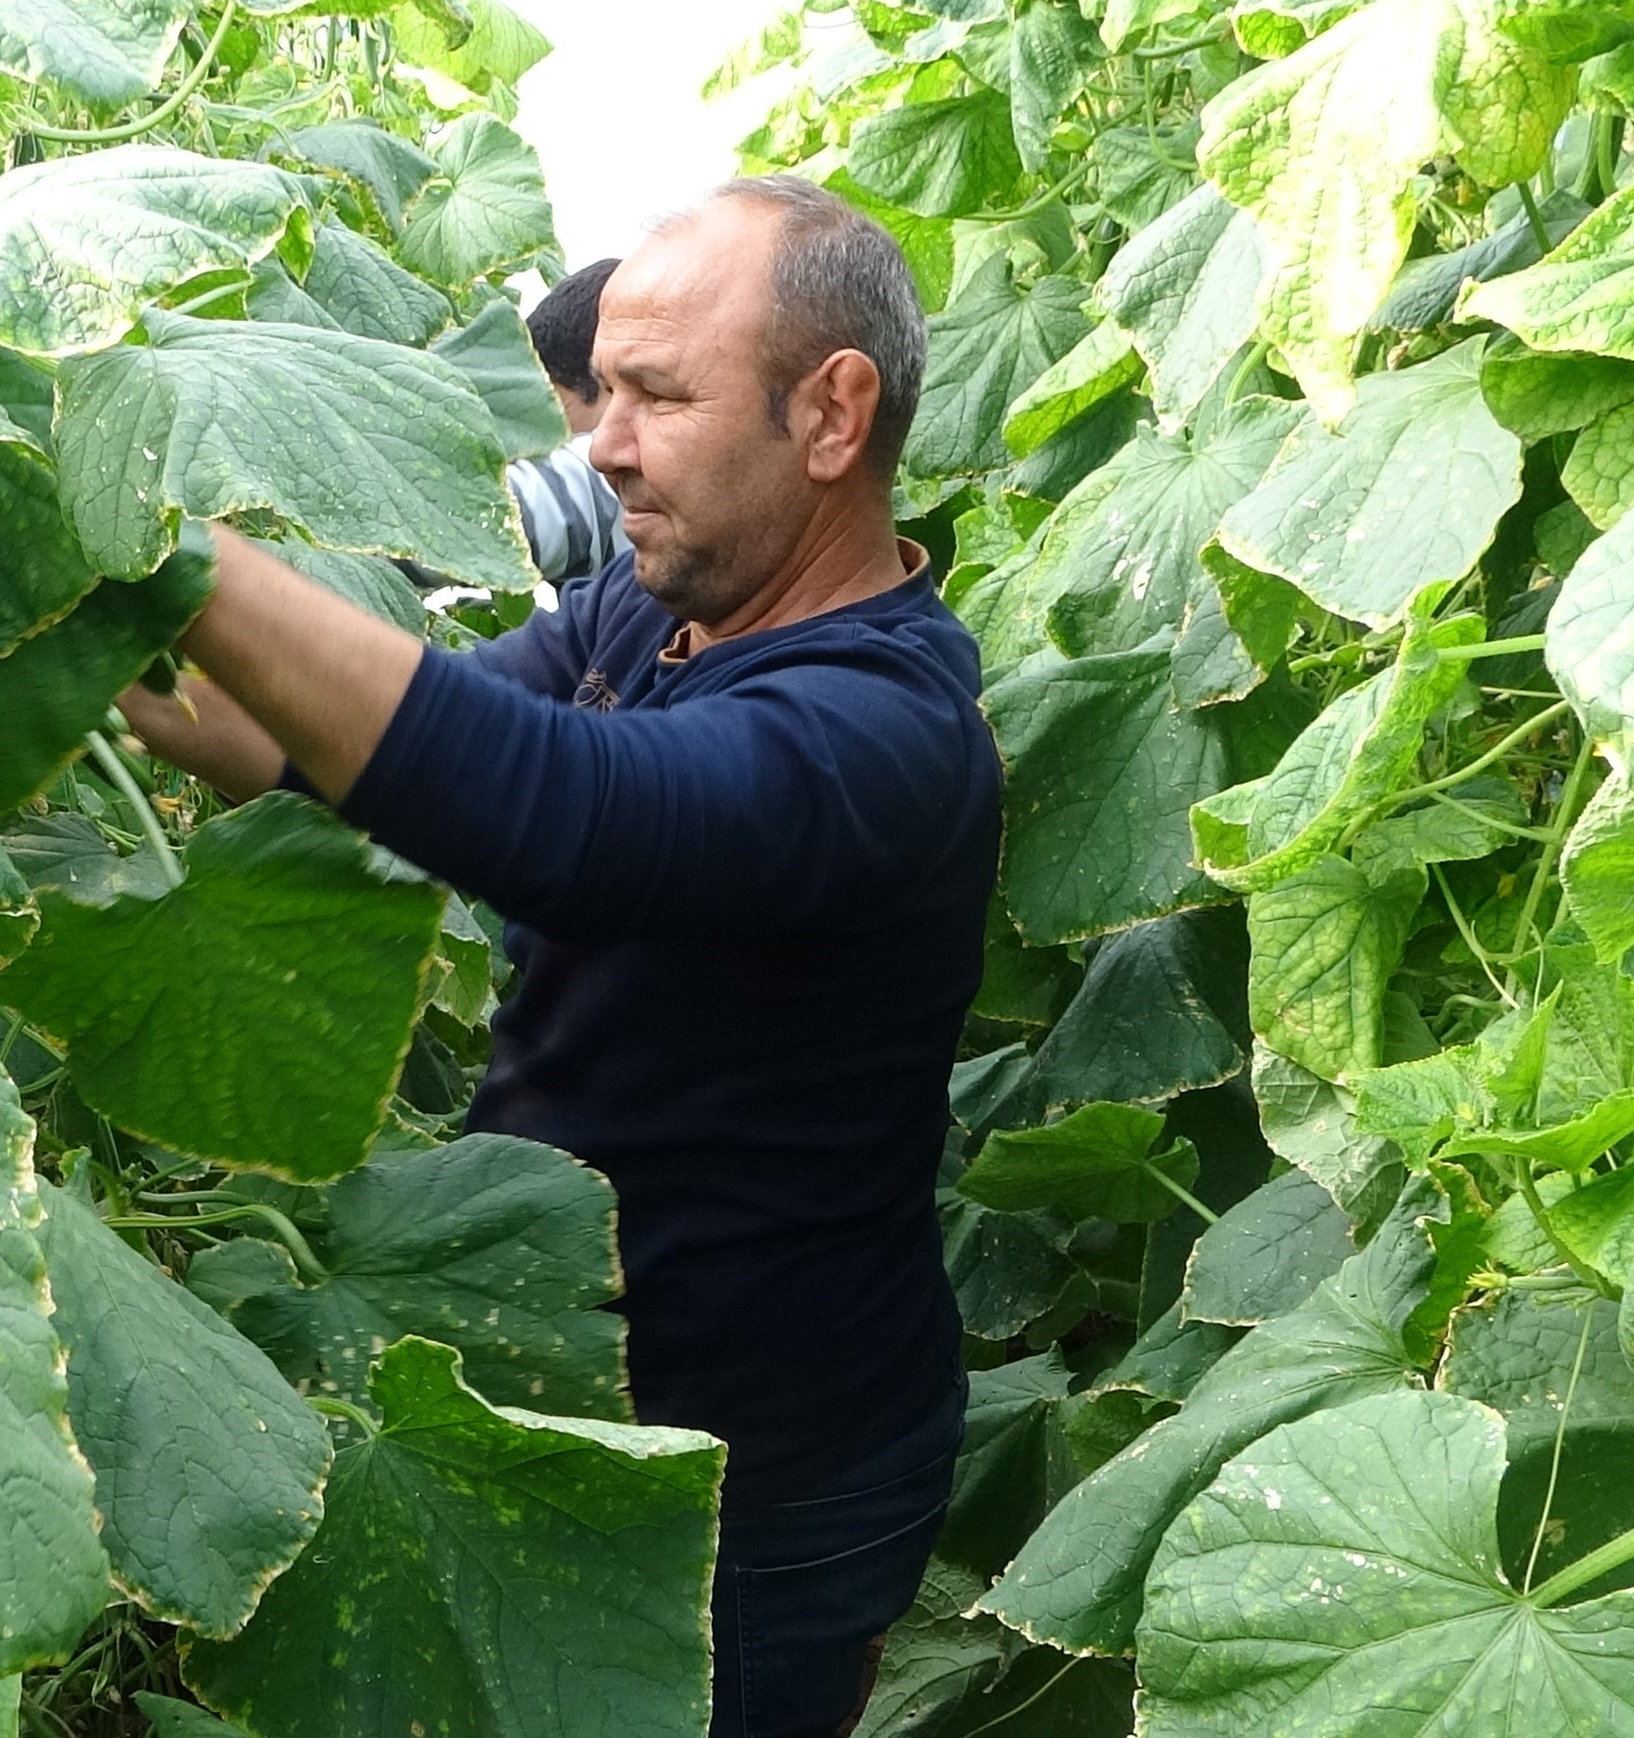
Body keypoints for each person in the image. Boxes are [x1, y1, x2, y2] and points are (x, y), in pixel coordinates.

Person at [121, 176, 996, 1738]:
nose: (600, 440)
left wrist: (162, 540)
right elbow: (344, 745)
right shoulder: (639, 610)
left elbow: (565, 823)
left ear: (830, 412)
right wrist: (89, 638)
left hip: (763, 1484)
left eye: (655, 394)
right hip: (551, 1370)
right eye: (600, 389)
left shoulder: (884, 729)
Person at [507, 256, 625, 582]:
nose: (538, 449)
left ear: (614, 384)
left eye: (552, 421)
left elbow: (486, 515)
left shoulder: (606, 482)